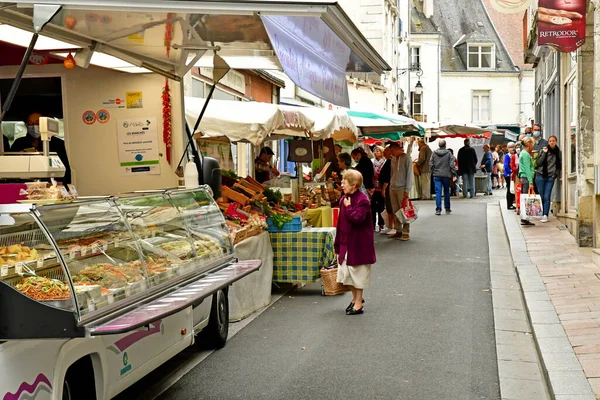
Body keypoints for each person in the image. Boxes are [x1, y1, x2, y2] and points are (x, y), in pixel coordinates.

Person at [334, 169, 376, 316]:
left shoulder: (362, 200)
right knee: (345, 274)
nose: (342, 185)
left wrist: (348, 207)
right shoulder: (344, 198)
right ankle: (355, 298)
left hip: (359, 244)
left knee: (358, 274)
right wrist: (338, 241)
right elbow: (341, 223)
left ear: (354, 185)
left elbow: (358, 218)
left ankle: (358, 303)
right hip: (346, 242)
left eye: (344, 182)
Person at [10, 112, 72, 184]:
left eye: (38, 123)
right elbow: (11, 167)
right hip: (25, 184)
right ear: (26, 125)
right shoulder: (19, 143)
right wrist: (21, 159)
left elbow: (65, 170)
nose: (34, 126)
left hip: (51, 184)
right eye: (30, 123)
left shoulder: (57, 143)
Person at [388, 142, 413, 241]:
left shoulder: (406, 158)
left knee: (404, 210)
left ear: (396, 149)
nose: (391, 153)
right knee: (396, 210)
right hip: (393, 187)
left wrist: (407, 190)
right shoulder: (393, 159)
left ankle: (406, 231)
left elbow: (409, 175)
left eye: (392, 151)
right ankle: (398, 230)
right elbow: (392, 173)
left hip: (402, 188)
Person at [535, 135, 561, 223]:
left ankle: (545, 214)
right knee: (541, 196)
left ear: (556, 142)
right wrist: (544, 153)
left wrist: (555, 175)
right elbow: (538, 163)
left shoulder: (558, 152)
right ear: (548, 142)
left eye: (553, 141)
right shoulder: (543, 150)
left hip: (550, 177)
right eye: (550, 141)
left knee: (547, 196)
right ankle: (541, 213)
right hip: (540, 175)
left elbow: (559, 165)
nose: (552, 142)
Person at [430, 139, 456, 215]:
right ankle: (447, 208)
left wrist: (433, 171)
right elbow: (452, 164)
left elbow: (431, 163)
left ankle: (438, 209)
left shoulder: (434, 153)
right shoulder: (449, 153)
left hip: (437, 175)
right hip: (446, 175)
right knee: (446, 191)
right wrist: (453, 173)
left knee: (438, 192)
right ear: (445, 145)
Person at [378, 146, 395, 235]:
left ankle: (393, 227)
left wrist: (384, 189)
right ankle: (390, 226)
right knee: (388, 208)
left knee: (390, 208)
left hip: (388, 188)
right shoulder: (388, 161)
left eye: (385, 151)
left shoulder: (390, 161)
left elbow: (387, 177)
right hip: (387, 188)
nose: (384, 153)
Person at [519, 137, 536, 226]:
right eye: (532, 144)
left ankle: (525, 217)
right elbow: (527, 169)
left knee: (525, 197)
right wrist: (531, 182)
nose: (532, 146)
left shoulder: (523, 153)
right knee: (526, 198)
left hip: (524, 177)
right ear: (529, 144)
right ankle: (524, 218)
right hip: (526, 177)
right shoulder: (525, 154)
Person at [370, 146, 386, 231]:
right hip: (373, 187)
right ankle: (372, 224)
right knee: (372, 206)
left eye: (378, 151)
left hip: (381, 186)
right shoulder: (371, 161)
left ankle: (381, 223)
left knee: (381, 206)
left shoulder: (384, 162)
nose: (376, 152)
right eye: (374, 151)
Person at [504, 142, 516, 210]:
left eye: (513, 147)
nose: (512, 148)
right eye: (510, 147)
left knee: (512, 189)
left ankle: (512, 203)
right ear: (508, 148)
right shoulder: (507, 156)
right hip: (508, 175)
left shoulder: (515, 155)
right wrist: (510, 172)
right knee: (509, 189)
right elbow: (506, 165)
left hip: (513, 174)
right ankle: (509, 204)